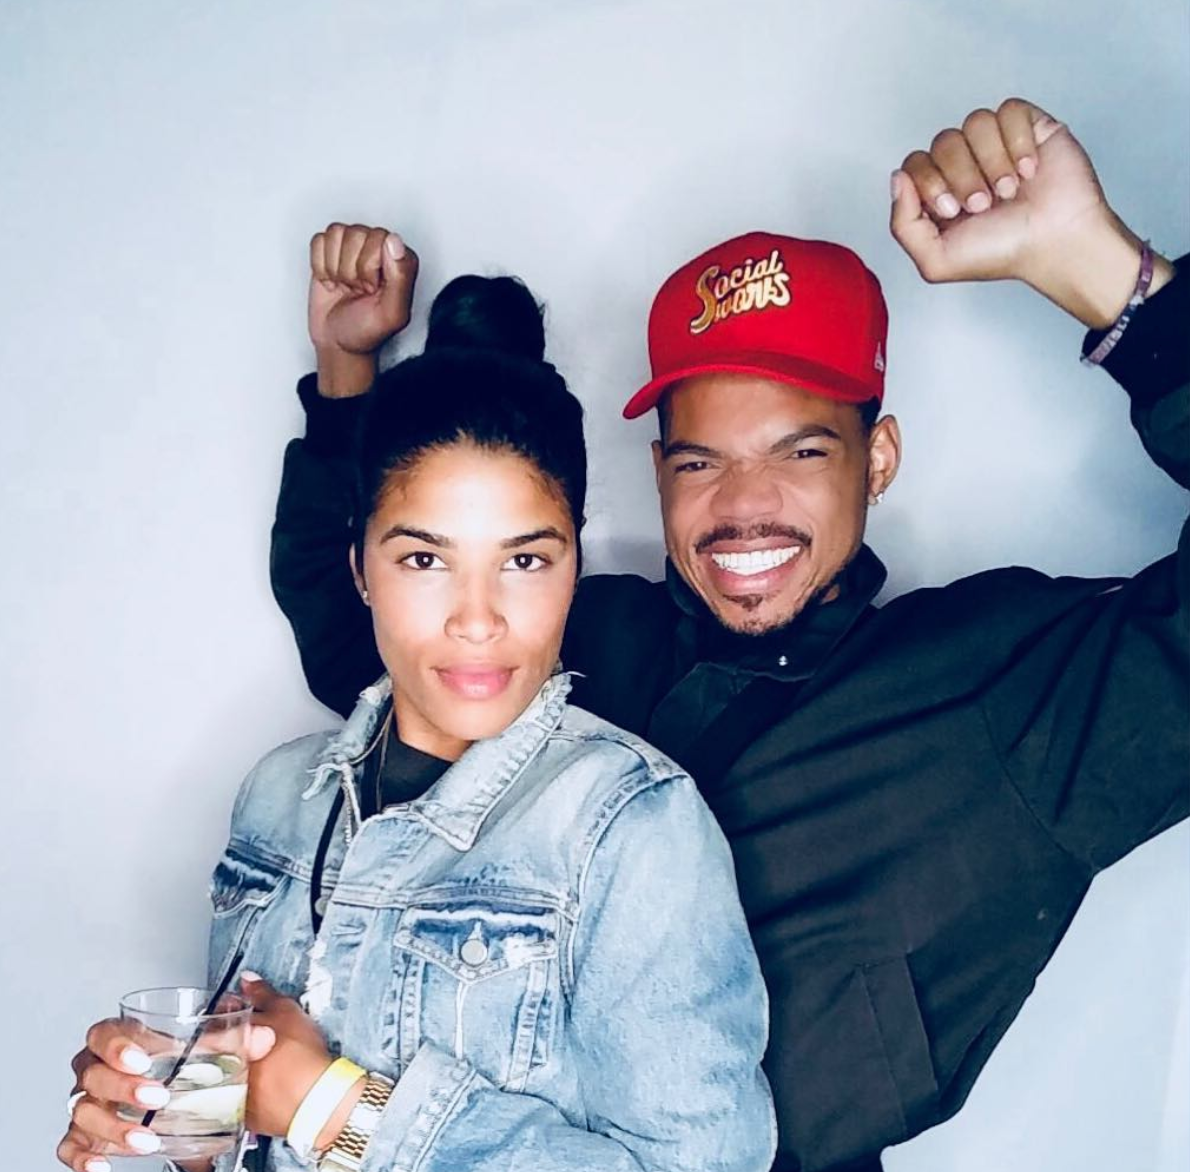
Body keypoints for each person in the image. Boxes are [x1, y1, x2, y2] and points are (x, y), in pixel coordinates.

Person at [271, 99, 1188, 1171]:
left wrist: (1113, 282)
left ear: (878, 460)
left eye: (800, 452)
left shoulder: (1002, 690)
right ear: (660, 473)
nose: (744, 506)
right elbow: (353, 631)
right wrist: (346, 380)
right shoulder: (577, 636)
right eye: (702, 461)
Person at [57, 278, 776, 1172]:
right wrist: (170, 1111)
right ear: (361, 568)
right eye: (425, 559)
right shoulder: (278, 798)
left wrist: (333, 1109)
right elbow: (254, 1128)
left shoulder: (631, 827)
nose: (477, 619)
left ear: (573, 566)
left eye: (524, 560)